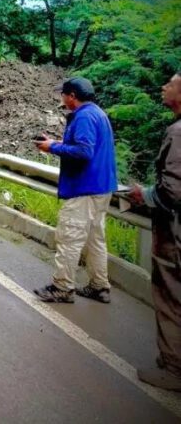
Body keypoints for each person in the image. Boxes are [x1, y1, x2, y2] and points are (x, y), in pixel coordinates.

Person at [32, 77, 117, 303]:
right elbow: (86, 146)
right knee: (94, 239)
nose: (62, 98)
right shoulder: (98, 113)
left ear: (71, 96)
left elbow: (84, 152)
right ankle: (99, 286)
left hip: (84, 188)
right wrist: (56, 142)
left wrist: (53, 147)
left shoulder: (84, 116)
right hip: (101, 187)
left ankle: (62, 287)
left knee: (70, 237)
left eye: (63, 95)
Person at [126, 71, 181, 390]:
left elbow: (173, 191)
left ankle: (172, 369)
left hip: (174, 234)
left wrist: (143, 195)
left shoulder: (177, 132)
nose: (164, 86)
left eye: (171, 83)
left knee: (171, 295)